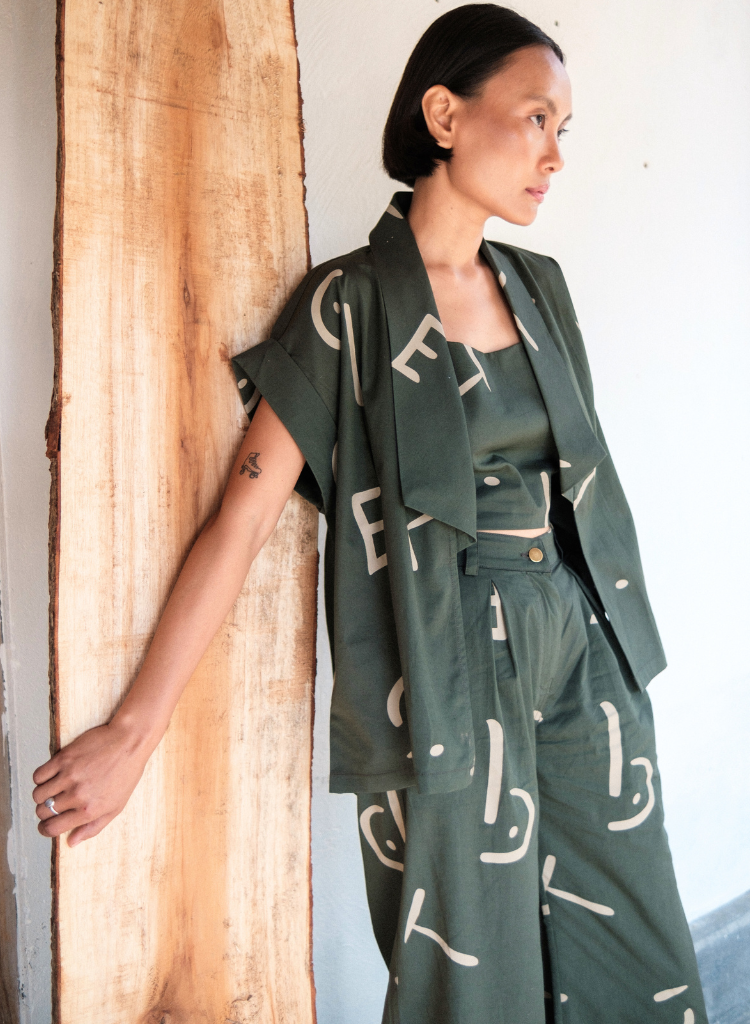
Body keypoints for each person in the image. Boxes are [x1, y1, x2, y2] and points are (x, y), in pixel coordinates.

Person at [32, 5, 707, 1022]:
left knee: (637, 958)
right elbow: (240, 523)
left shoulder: (541, 291)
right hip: (440, 678)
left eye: (563, 129)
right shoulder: (346, 306)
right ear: (445, 114)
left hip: (581, 655)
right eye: (536, 118)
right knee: (469, 985)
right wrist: (133, 731)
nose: (554, 156)